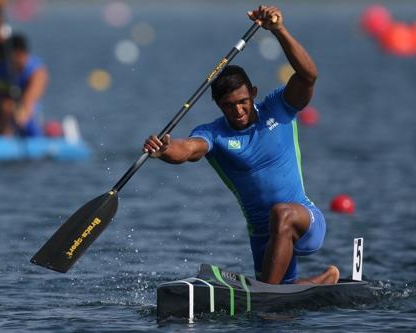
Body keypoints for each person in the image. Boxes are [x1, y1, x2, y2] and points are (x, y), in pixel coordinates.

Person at [143, 6, 339, 284]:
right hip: (262, 236)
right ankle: (325, 279)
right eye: (228, 105)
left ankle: (266, 295)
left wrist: (279, 31)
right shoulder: (213, 134)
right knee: (283, 299)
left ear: (253, 93)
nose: (237, 110)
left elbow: (308, 76)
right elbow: (186, 150)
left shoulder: (278, 108)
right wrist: (164, 149)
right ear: (218, 105)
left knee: (281, 213)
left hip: (304, 219)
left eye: (242, 101)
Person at [0, 0, 48, 136]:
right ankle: (4, 137)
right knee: (5, 105)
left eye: (15, 57)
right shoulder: (3, 60)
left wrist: (23, 112)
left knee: (10, 108)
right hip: (2, 112)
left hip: (28, 116)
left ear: (21, 54)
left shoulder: (37, 71)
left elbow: (31, 97)